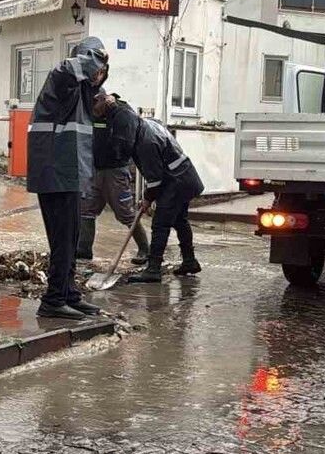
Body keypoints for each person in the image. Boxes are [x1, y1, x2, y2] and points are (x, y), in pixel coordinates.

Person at [26, 36, 109, 320]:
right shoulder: (63, 82)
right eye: (98, 69)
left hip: (66, 173)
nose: (99, 76)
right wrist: (96, 57)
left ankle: (68, 294)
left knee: (70, 238)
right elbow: (65, 69)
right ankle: (53, 300)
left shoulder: (80, 95)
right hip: (55, 171)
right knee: (63, 238)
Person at [121, 110, 204, 283]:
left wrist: (147, 199)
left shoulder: (146, 143)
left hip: (177, 182)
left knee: (160, 224)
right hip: (185, 177)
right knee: (180, 220)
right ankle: (190, 261)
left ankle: (153, 269)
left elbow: (155, 179)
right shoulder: (147, 125)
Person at [78, 93, 150, 265]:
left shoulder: (123, 115)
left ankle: (145, 249)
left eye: (95, 107)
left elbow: (126, 144)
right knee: (87, 210)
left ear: (105, 101)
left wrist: (114, 154)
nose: (93, 112)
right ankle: (84, 250)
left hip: (115, 172)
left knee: (125, 213)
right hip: (95, 170)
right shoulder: (98, 114)